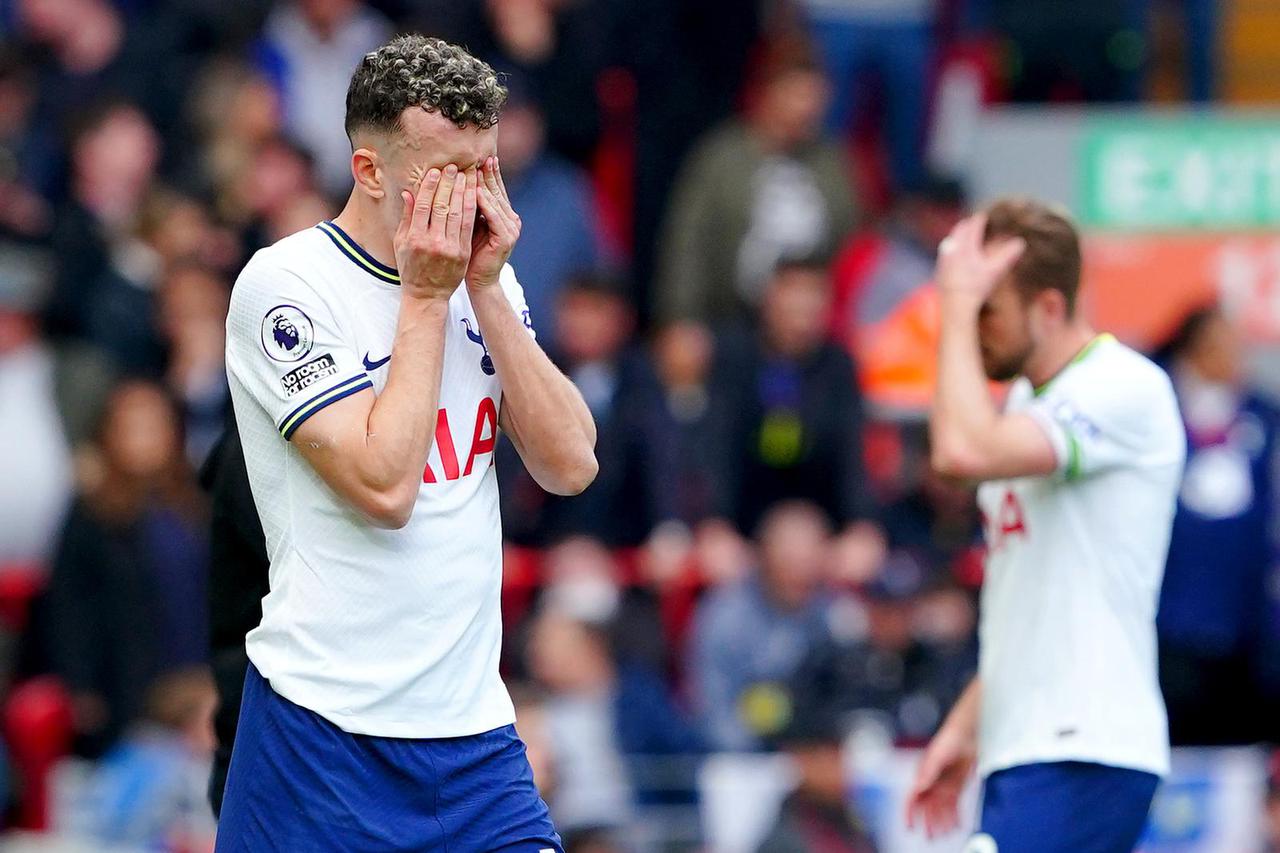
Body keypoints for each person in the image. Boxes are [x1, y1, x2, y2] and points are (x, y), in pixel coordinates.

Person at [216, 35, 597, 851]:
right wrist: (427, 297)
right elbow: (386, 487)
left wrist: (487, 288)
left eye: (485, 170)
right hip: (320, 736)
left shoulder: (481, 274)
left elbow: (571, 464)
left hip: (473, 737)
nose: (472, 201)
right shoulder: (285, 287)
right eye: (446, 175)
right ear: (370, 171)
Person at [904, 200, 1185, 850]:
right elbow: (1031, 599)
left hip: (1085, 744)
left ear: (1049, 307)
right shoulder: (1029, 404)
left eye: (987, 310)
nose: (973, 328)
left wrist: (951, 304)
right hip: (1024, 744)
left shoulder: (1123, 387)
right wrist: (967, 724)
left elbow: (960, 454)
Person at [1157, 306, 1279, 745]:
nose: (1237, 357)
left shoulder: (1262, 418)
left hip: (1245, 624)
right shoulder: (1154, 413)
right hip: (1168, 618)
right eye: (1223, 345)